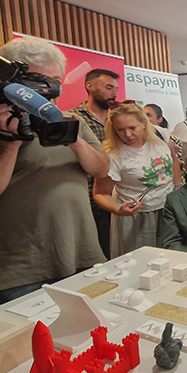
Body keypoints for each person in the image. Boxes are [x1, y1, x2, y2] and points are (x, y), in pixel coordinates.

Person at [0, 37, 108, 306]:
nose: (49, 91)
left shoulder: (73, 121)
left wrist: (73, 139)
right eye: (37, 82)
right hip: (20, 272)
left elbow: (101, 168)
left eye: (54, 81)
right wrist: (8, 143)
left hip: (83, 256)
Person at [93, 100, 180, 257]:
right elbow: (100, 193)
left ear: (144, 124)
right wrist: (118, 209)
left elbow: (173, 160)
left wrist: (178, 187)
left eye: (132, 128)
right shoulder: (113, 155)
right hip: (137, 218)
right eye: (121, 130)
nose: (128, 134)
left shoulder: (159, 139)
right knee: (142, 262)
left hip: (167, 211)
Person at [68, 69, 120, 258]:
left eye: (116, 89)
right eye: (108, 87)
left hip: (119, 199)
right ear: (90, 86)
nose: (114, 93)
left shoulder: (119, 119)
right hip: (87, 201)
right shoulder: (74, 119)